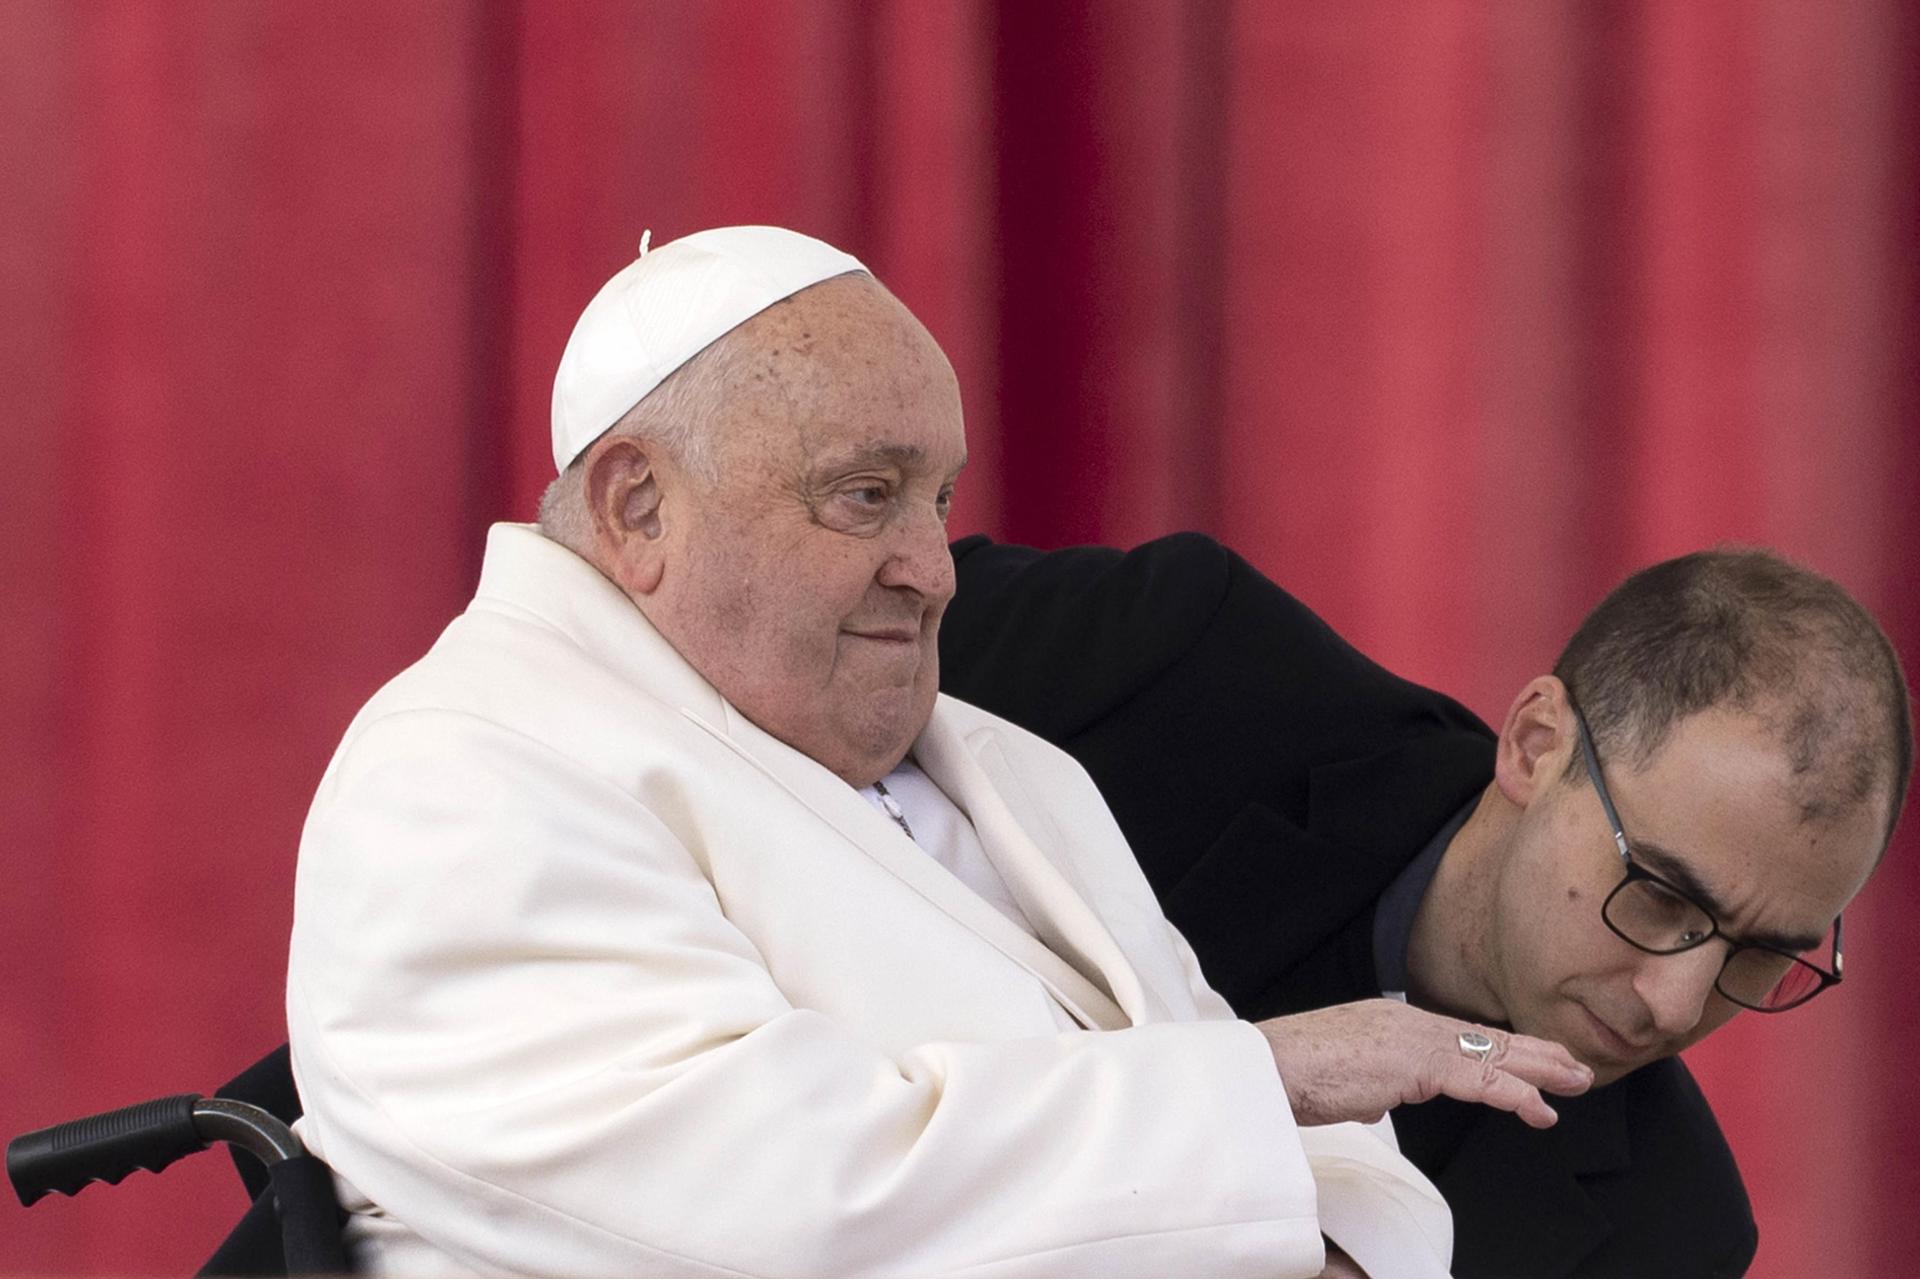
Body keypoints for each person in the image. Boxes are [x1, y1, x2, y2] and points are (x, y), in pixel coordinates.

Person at [285, 227, 1593, 1279]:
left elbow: (1345, 1160)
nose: (931, 569)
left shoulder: (1012, 769)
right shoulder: (461, 772)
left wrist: (1341, 1247)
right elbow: (779, 1202)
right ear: (641, 506)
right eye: (866, 493)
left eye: (941, 499)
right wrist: (1268, 1078)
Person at [938, 532, 1912, 1279]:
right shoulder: (1185, 663)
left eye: (1759, 954)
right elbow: (816, 646)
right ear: (1535, 746)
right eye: (1659, 894)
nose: (1674, 1000)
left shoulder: (1670, 1233)